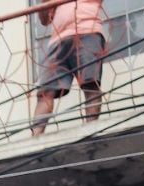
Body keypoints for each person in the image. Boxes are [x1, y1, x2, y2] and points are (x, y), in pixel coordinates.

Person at [30, 0, 106, 134]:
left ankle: (91, 131)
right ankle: (34, 140)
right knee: (44, 92)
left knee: (89, 84)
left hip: (87, 30)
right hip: (58, 40)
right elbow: (44, 20)